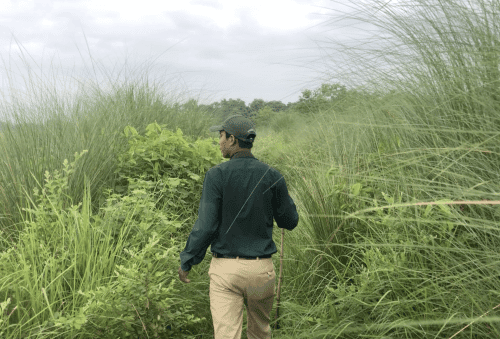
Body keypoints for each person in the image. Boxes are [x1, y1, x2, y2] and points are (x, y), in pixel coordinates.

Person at [179, 114, 299, 339]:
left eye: (221, 136)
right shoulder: (272, 175)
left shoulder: (216, 175)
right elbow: (289, 222)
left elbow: (206, 226)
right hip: (261, 271)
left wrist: (188, 260)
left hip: (226, 271)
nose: (219, 141)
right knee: (260, 333)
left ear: (233, 139)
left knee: (226, 335)